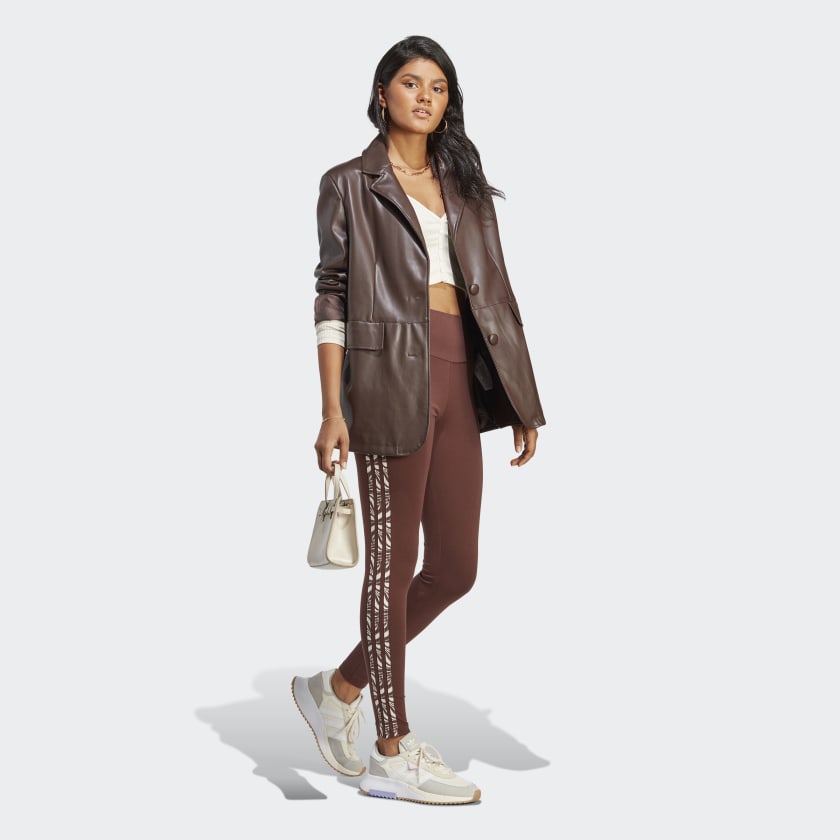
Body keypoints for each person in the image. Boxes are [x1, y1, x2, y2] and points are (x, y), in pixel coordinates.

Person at [292, 34, 545, 806]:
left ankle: (336, 689)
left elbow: (497, 292)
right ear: (382, 93)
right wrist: (331, 408)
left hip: (461, 373)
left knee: (456, 569)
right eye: (411, 83)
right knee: (392, 565)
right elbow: (332, 292)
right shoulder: (349, 183)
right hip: (386, 380)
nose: (426, 96)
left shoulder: (464, 187)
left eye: (438, 86)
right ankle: (391, 751)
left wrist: (521, 397)